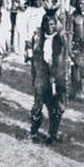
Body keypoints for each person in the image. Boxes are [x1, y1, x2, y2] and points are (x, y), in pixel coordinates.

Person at [26, 12, 71, 144]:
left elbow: (66, 60)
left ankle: (53, 133)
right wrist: (35, 77)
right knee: (38, 104)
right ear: (43, 25)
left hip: (58, 76)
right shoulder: (38, 38)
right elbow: (34, 61)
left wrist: (63, 78)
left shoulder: (61, 39)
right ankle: (34, 132)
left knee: (56, 106)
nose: (50, 27)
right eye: (48, 24)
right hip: (42, 76)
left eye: (53, 24)